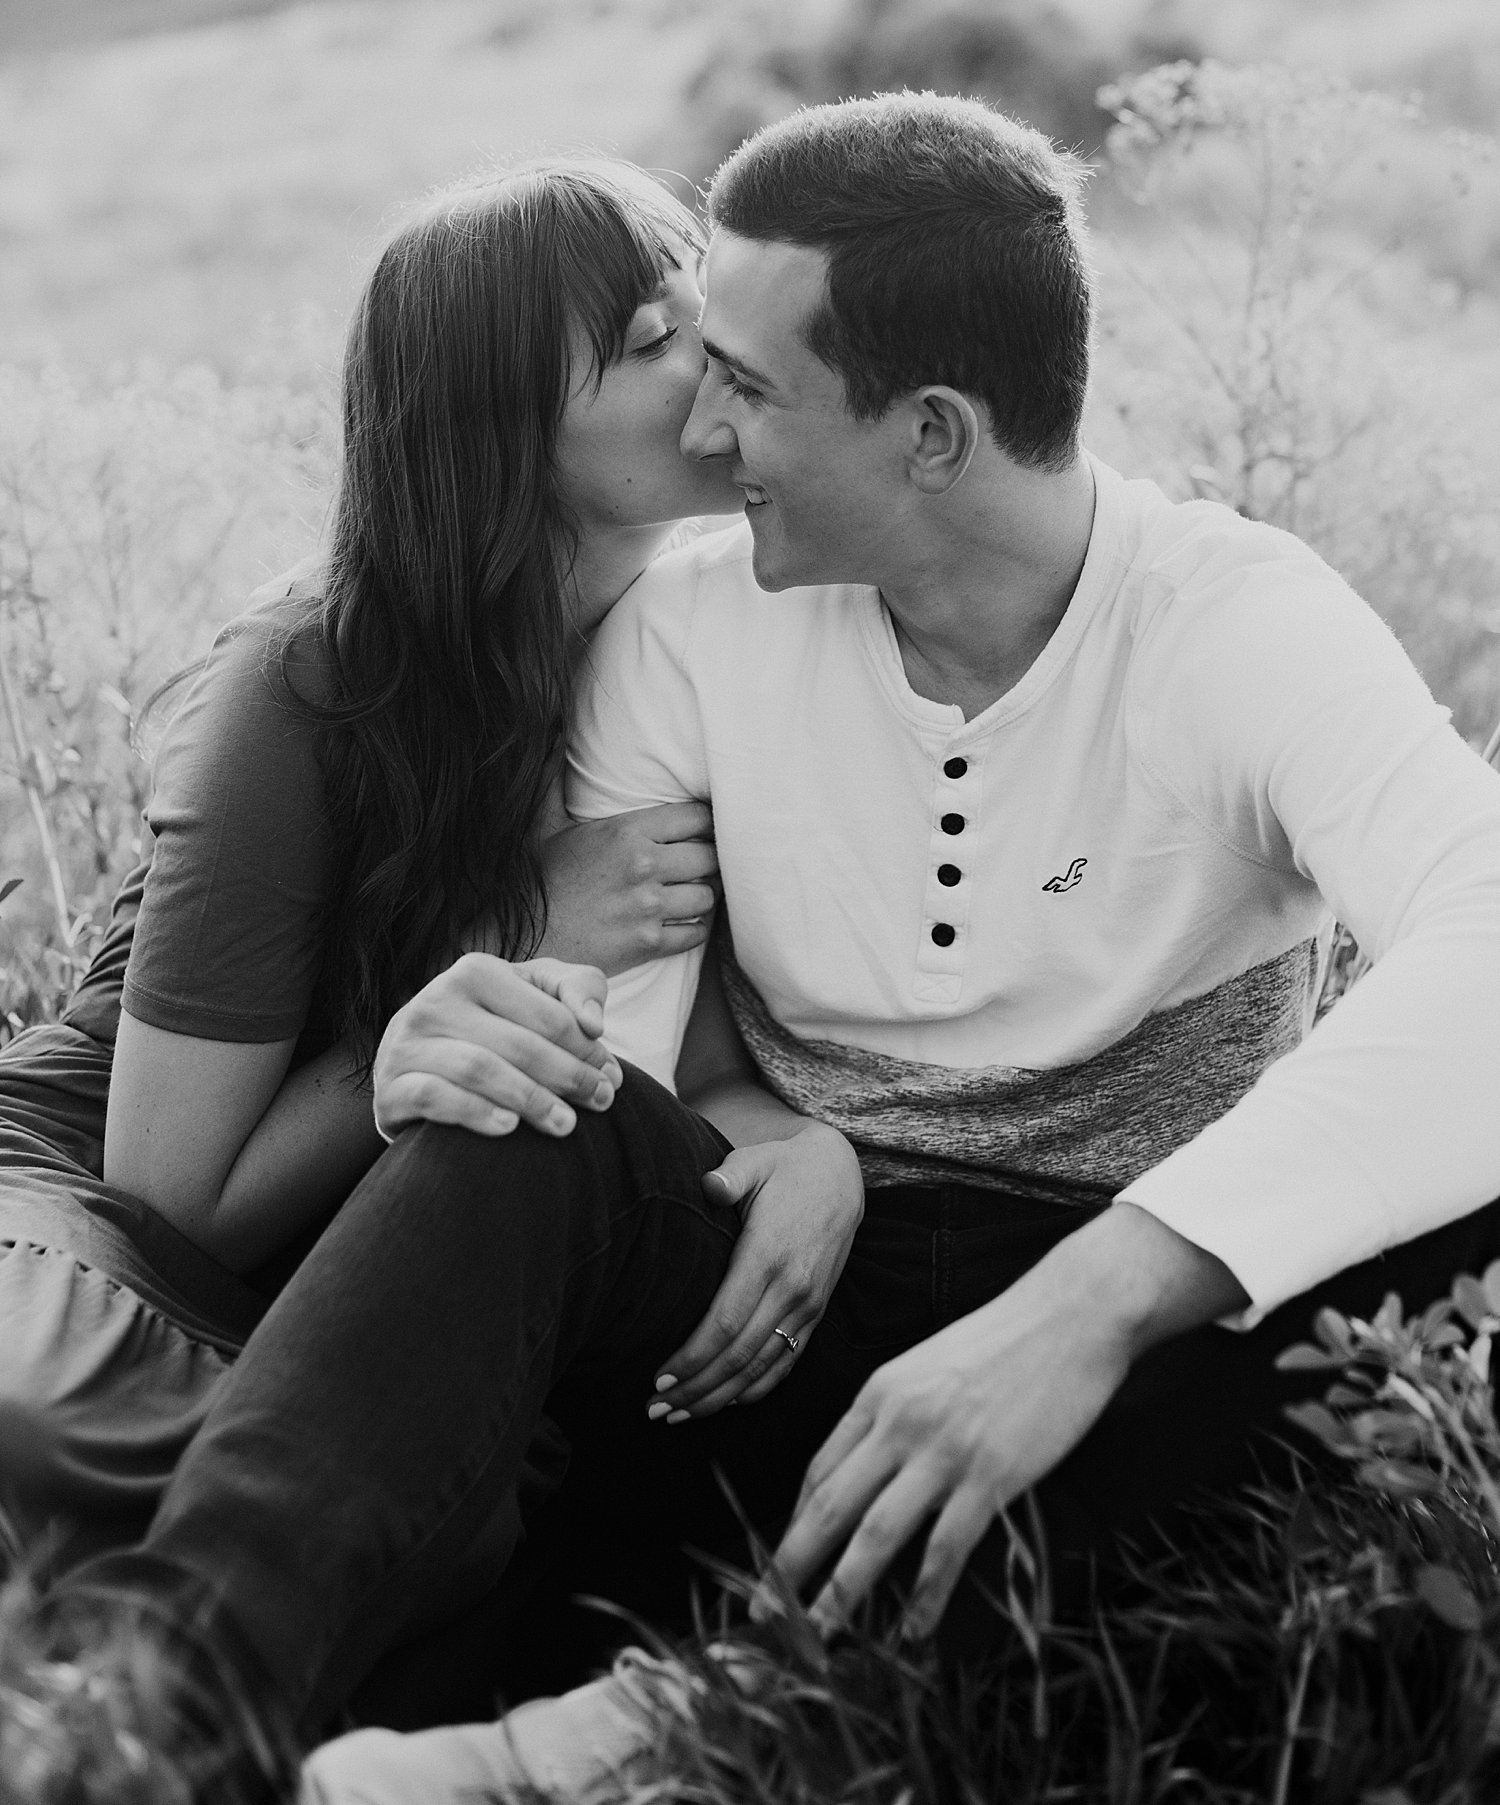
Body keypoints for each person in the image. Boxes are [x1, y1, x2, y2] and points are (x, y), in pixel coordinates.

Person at [40, 93, 1500, 1792]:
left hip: (1128, 1378)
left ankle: (662, 1722)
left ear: (932, 433)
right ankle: (151, 1710)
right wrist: (683, 1107)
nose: (707, 437)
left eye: (745, 382)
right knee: (525, 1126)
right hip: (768, 1323)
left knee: (1441, 1212)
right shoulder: (679, 631)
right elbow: (622, 1069)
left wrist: (1092, 1304)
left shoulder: (1238, 624)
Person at [0, 156, 780, 1559]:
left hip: (378, 1248)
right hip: (86, 1206)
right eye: (656, 343)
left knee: (463, 1515)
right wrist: (506, 941)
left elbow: (724, 1068)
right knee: (76, 1419)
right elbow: (168, 1197)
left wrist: (820, 1154)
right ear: (501, 435)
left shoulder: (705, 649)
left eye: (703, 307)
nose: (715, 354)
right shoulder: (311, 676)